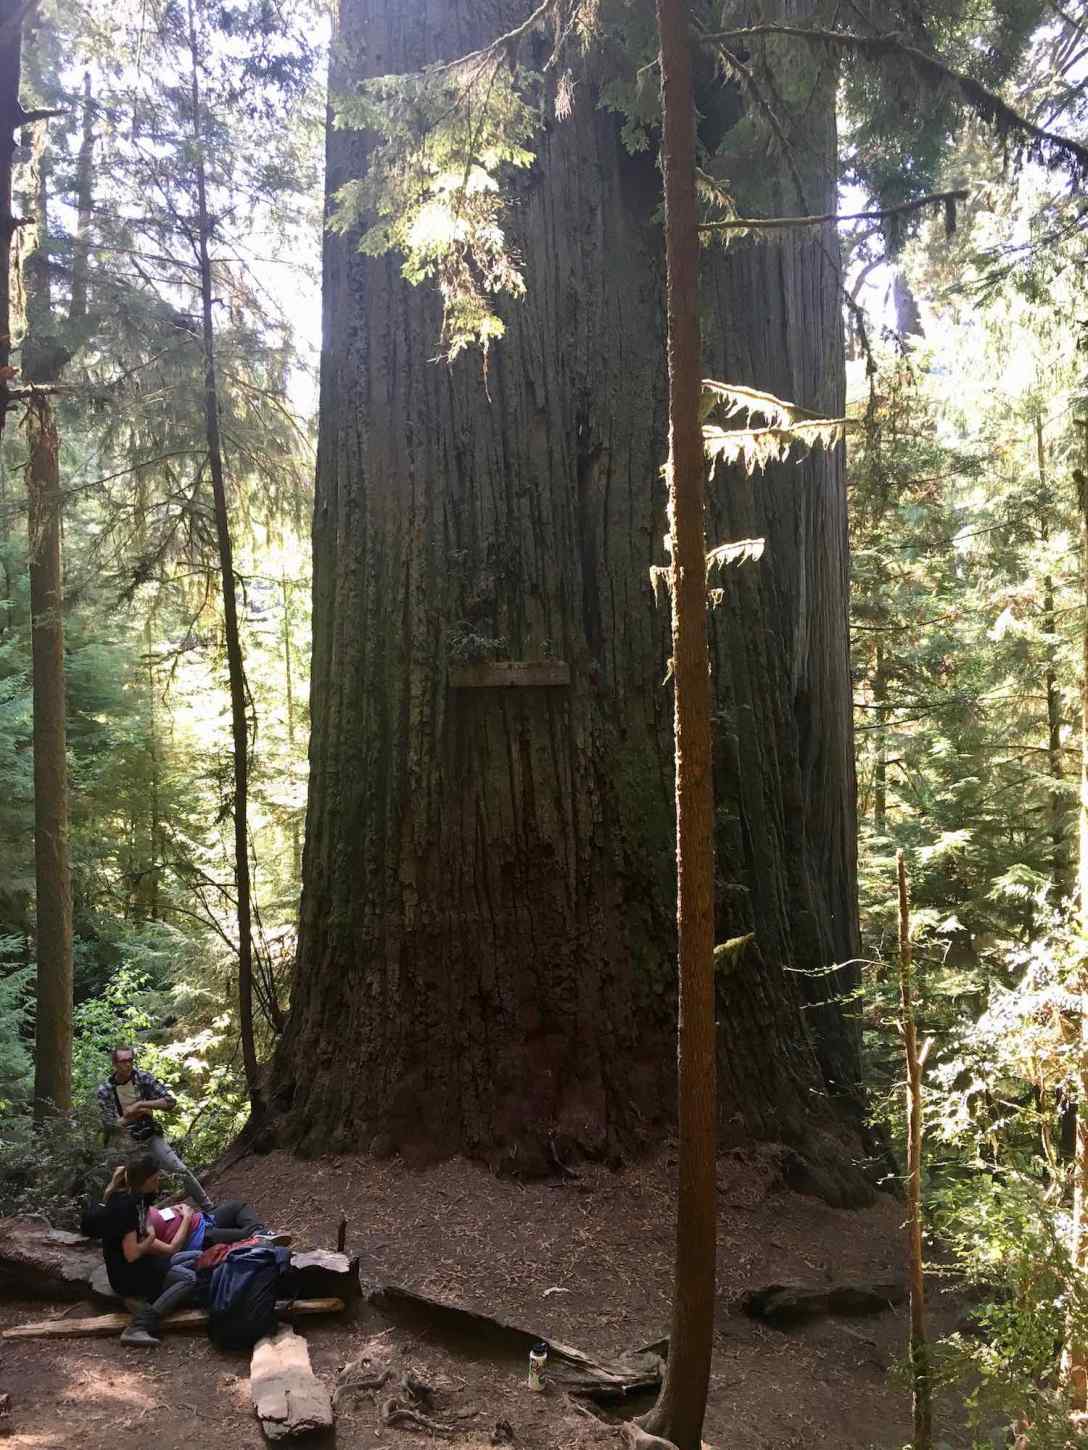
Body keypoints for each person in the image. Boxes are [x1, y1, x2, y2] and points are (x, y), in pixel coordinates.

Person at [98, 1152, 202, 1348]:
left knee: (197, 1256)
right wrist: (152, 1238)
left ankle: (147, 1299)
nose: (158, 1182)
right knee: (189, 1278)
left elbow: (147, 1235)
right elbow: (132, 1254)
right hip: (128, 1275)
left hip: (143, 1264)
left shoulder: (138, 1199)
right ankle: (140, 1326)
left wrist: (150, 1235)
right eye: (155, 1179)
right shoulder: (125, 1206)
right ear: (144, 1180)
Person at [96, 1044, 212, 1211]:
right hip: (125, 1142)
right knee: (128, 1183)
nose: (128, 1064)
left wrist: (140, 1104)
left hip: (149, 1133)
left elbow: (170, 1101)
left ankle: (208, 1207)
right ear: (115, 1063)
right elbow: (110, 1125)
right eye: (123, 1061)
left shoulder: (142, 1078)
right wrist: (134, 1114)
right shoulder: (105, 1090)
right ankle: (129, 1222)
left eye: (130, 1060)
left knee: (179, 1169)